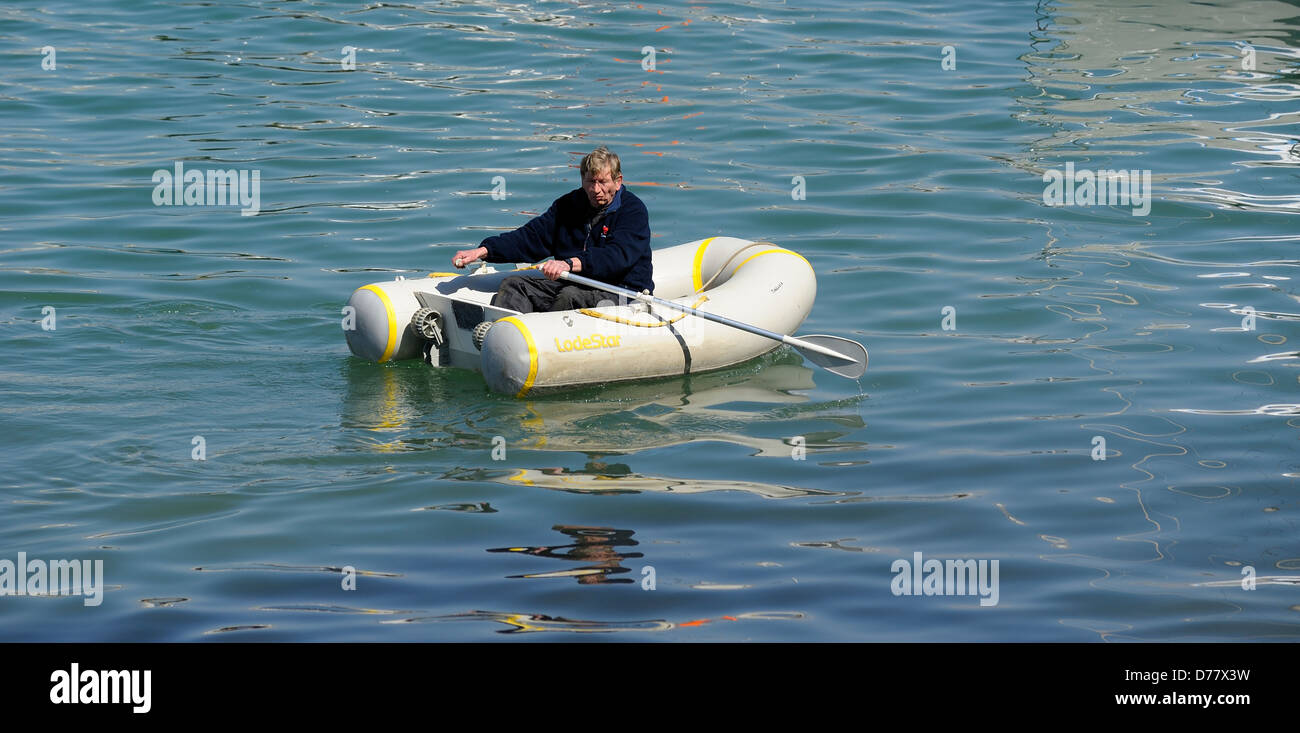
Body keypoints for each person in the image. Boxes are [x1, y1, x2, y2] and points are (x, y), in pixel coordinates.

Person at [452, 146, 653, 313]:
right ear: (582, 179)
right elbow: (531, 238)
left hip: (620, 291)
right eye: (591, 182)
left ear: (618, 182)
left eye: (603, 182)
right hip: (575, 283)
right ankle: (500, 336)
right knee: (513, 285)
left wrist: (569, 264)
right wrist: (484, 251)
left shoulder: (632, 211)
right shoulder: (568, 205)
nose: (596, 190)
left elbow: (616, 256)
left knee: (570, 296)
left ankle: (545, 347)